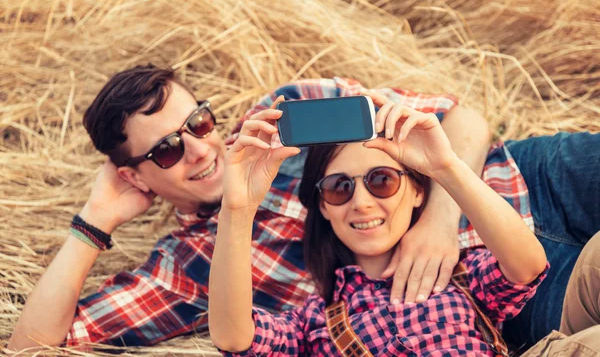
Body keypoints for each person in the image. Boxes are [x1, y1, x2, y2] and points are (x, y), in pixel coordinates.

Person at [6, 65, 598, 351]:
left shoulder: (291, 111)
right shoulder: (183, 271)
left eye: (199, 122)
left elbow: (461, 119)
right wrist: (94, 222)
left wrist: (441, 216)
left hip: (522, 177)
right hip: (500, 306)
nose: (199, 148)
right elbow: (32, 346)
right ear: (138, 175)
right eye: (166, 150)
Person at [209, 95, 600, 356]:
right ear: (323, 208)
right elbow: (234, 338)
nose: (361, 202)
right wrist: (237, 210)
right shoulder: (312, 323)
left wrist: (444, 168)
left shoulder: (458, 275)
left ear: (416, 193)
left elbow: (529, 267)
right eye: (338, 188)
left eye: (382, 180)